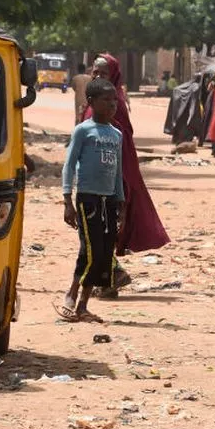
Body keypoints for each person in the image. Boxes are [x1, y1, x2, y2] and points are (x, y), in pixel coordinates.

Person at [86, 54, 170, 297]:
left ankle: (111, 277)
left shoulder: (115, 104)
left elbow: (121, 143)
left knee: (99, 231)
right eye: (95, 72)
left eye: (103, 73)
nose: (98, 77)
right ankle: (107, 280)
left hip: (112, 176)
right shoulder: (94, 100)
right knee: (95, 231)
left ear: (113, 76)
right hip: (92, 177)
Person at [58, 79, 124, 323]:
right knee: (91, 249)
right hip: (88, 199)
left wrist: (121, 203)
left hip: (109, 201)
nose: (112, 104)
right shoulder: (83, 131)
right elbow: (69, 165)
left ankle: (83, 305)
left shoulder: (116, 135)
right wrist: (67, 200)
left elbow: (118, 172)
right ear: (91, 102)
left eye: (114, 99)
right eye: (106, 100)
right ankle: (71, 294)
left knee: (104, 252)